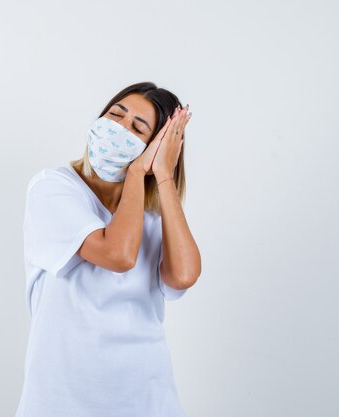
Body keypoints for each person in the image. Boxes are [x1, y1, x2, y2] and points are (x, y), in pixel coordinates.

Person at [14, 82, 201, 417]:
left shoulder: (153, 216)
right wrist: (135, 173)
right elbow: (117, 254)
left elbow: (183, 276)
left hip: (148, 400)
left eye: (137, 128)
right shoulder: (53, 188)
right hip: (62, 402)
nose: (118, 127)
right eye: (115, 114)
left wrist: (163, 177)